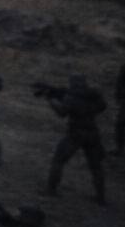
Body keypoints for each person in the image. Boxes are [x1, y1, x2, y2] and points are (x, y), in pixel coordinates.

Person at [46, 74, 107, 205]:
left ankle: (51, 189)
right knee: (96, 166)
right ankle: (101, 196)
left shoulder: (71, 97)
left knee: (58, 160)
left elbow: (62, 112)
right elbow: (102, 106)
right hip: (93, 134)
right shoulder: (94, 95)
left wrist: (52, 101)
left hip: (75, 134)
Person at [114, 58, 125, 155]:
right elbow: (119, 84)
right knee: (120, 123)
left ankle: (120, 148)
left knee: (120, 123)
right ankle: (120, 147)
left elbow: (119, 84)